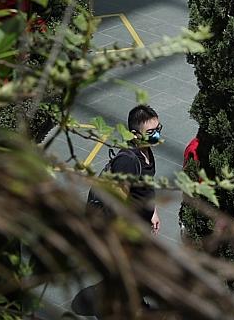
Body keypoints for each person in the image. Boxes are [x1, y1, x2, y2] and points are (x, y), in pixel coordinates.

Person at [72, 104, 163, 316]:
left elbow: (145, 186)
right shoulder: (128, 161)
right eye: (151, 132)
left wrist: (153, 211)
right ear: (134, 133)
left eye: (159, 129)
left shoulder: (146, 151)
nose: (157, 134)